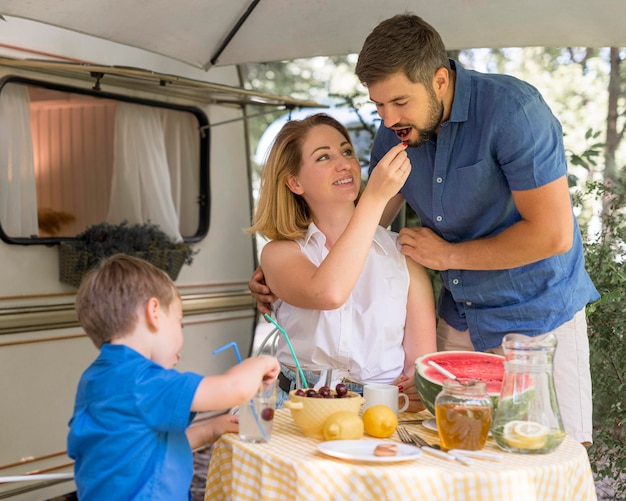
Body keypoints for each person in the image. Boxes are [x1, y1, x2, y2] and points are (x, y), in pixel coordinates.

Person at [250, 14, 599, 445]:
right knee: (463, 453)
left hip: (536, 317)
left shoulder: (513, 111)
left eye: (398, 102)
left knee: (549, 449)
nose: (387, 117)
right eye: (378, 105)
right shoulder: (394, 133)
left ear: (438, 80)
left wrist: (447, 256)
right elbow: (361, 230)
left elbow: (552, 236)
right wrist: (285, 276)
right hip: (461, 319)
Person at [247, 113, 437, 410]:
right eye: (323, 157)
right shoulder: (279, 253)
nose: (344, 162)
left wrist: (418, 389)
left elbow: (420, 369)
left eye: (346, 151)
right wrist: (374, 197)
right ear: (295, 182)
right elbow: (329, 293)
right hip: (297, 408)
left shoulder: (403, 254)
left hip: (380, 409)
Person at [68, 254, 280, 501]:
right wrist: (261, 361)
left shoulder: (96, 379)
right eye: (179, 322)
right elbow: (235, 388)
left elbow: (147, 447)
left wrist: (210, 430)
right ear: (154, 312)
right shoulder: (144, 382)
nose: (181, 333)